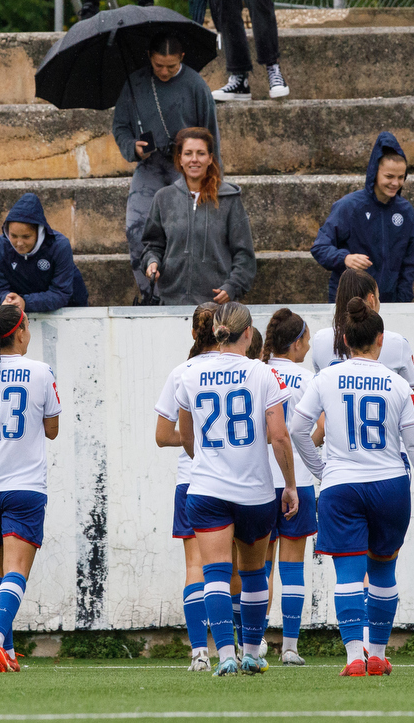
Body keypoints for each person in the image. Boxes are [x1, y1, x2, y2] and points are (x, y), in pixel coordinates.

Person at [291, 299, 414, 677]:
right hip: (390, 483)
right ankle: (377, 654)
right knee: (383, 573)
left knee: (347, 576)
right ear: (380, 340)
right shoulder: (397, 384)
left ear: (343, 339)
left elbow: (297, 428)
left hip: (341, 485)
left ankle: (354, 658)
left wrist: (321, 470)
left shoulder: (326, 378)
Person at [172, 302, 297, 677]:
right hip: (254, 491)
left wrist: (208, 461)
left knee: (214, 573)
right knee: (254, 573)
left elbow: (187, 437)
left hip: (207, 489)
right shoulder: (262, 373)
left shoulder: (190, 374)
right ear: (248, 333)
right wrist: (290, 485)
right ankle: (252, 651)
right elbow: (279, 436)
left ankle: (224, 654)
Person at [0, 305, 63, 672]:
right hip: (24, 486)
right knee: (17, 571)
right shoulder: (40, 371)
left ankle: (3, 648)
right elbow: (52, 430)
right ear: (20, 331)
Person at [112, 33, 221, 303]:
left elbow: (211, 135)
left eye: (171, 67)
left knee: (183, 230)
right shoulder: (135, 81)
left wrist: (212, 178)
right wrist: (133, 148)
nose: (164, 71)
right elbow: (120, 126)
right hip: (149, 165)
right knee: (136, 227)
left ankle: (182, 294)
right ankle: (149, 292)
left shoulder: (196, 85)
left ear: (182, 58)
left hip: (186, 166)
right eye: (159, 65)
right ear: (150, 57)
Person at [153, 302, 222, 672]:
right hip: (233, 480)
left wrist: (196, 437)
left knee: (195, 566)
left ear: (194, 333)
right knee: (239, 567)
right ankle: (243, 648)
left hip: (192, 480)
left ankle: (199, 652)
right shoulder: (242, 369)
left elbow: (163, 436)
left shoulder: (182, 373)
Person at [258, 309, 318, 667]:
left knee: (259, 566)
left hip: (260, 482)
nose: (309, 347)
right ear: (295, 344)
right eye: (306, 341)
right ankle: (290, 647)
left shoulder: (257, 372)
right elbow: (317, 429)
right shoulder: (307, 379)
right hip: (298, 481)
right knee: (293, 567)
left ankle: (255, 640)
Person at [142, 127, 256, 306]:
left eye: (200, 153)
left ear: (210, 158)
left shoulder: (229, 200)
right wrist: (151, 262)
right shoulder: (163, 198)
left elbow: (244, 255)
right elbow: (153, 245)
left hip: (216, 307)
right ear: (180, 158)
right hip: (172, 303)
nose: (194, 159)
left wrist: (232, 286)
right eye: (188, 153)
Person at [310, 269, 414, 431]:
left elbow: (318, 404)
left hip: (338, 446)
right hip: (386, 445)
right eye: (378, 297)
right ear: (371, 300)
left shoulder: (319, 340)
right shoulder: (395, 343)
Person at [311, 132, 414, 304]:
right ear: (375, 172)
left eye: (400, 177)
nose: (395, 183)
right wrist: (345, 258)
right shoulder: (350, 206)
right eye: (389, 176)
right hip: (350, 304)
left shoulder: (405, 211)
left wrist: (403, 301)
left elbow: (410, 262)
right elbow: (320, 247)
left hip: (388, 304)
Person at [0, 193, 89, 312]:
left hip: (68, 308)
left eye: (26, 236)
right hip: (18, 309)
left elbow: (61, 292)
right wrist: (6, 300)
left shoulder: (59, 246)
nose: (19, 243)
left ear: (39, 232)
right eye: (13, 236)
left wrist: (25, 302)